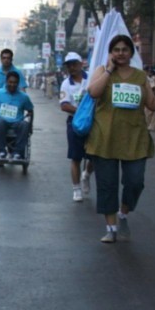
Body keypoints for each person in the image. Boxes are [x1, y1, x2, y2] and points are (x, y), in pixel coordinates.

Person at [86, 34, 155, 243]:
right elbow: (93, 92)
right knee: (107, 185)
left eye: (124, 49)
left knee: (135, 182)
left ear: (131, 52)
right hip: (105, 138)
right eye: (116, 50)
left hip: (135, 138)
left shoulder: (139, 76)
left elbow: (152, 104)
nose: (120, 53)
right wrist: (109, 70)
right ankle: (111, 228)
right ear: (111, 53)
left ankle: (123, 214)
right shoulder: (102, 71)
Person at [59, 52, 94, 202]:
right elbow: (64, 105)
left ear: (81, 64)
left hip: (93, 122)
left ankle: (86, 174)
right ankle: (76, 188)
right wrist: (82, 112)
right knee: (75, 157)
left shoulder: (92, 78)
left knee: (95, 155)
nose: (72, 67)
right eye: (69, 65)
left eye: (74, 64)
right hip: (75, 123)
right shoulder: (66, 84)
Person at [0, 71, 34, 162]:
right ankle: (1, 152)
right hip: (2, 122)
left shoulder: (24, 97)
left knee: (25, 124)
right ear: (6, 82)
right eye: (10, 82)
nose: (12, 85)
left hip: (17, 123)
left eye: (15, 83)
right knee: (0, 122)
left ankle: (18, 153)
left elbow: (30, 110)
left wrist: (31, 126)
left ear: (18, 83)